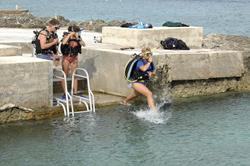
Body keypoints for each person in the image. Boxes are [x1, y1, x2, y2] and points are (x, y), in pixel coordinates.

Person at [60, 25, 85, 95]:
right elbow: (63, 42)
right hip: (66, 58)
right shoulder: (66, 36)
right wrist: (69, 35)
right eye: (76, 31)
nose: (77, 33)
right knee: (65, 74)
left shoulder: (78, 38)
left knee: (75, 75)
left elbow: (84, 44)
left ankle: (75, 92)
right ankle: (65, 92)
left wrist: (78, 38)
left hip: (74, 58)